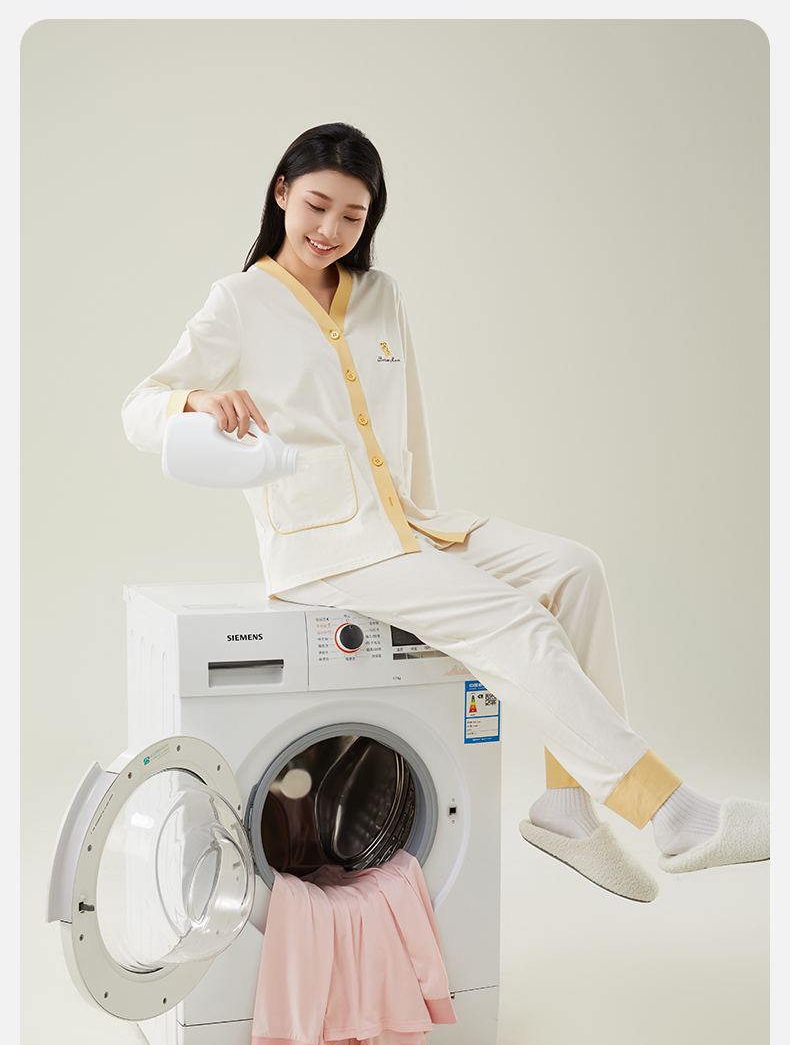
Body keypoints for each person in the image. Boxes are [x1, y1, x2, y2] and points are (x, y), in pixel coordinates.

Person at [122, 122, 769, 902]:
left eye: (353, 215)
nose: (329, 230)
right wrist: (194, 398)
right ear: (282, 193)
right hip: (324, 551)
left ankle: (566, 810)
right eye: (317, 206)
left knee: (576, 571)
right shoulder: (239, 301)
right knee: (516, 621)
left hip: (411, 526)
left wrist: (429, 534)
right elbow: (138, 409)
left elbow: (409, 424)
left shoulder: (381, 295)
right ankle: (674, 816)